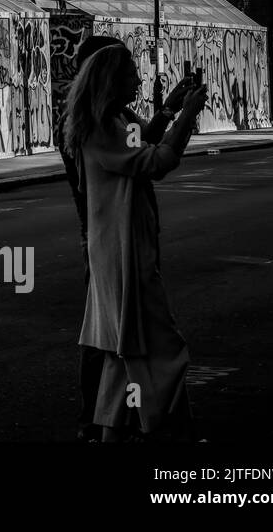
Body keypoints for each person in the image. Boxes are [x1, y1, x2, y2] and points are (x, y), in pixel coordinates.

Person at [64, 44, 208, 442]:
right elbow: (156, 160)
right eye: (131, 74)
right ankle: (169, 427)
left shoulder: (115, 119)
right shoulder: (101, 126)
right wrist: (189, 115)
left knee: (118, 356)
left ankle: (110, 432)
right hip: (122, 253)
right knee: (164, 348)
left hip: (119, 247)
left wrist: (172, 107)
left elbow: (142, 141)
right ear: (111, 80)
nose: (139, 79)